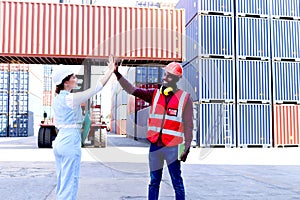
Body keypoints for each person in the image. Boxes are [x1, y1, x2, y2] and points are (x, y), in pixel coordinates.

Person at [114, 61, 193, 200]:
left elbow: (188, 125)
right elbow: (131, 89)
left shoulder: (185, 99)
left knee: (177, 183)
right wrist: (116, 73)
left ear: (176, 79)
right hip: (155, 147)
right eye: (165, 74)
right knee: (154, 182)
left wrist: (186, 148)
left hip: (173, 148)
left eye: (169, 76)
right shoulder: (154, 95)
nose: (165, 78)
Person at [51, 57, 114, 200]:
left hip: (60, 140)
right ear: (66, 82)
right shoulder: (70, 99)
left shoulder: (57, 98)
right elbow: (96, 88)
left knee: (62, 182)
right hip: (69, 140)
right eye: (73, 76)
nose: (75, 78)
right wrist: (110, 70)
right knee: (70, 184)